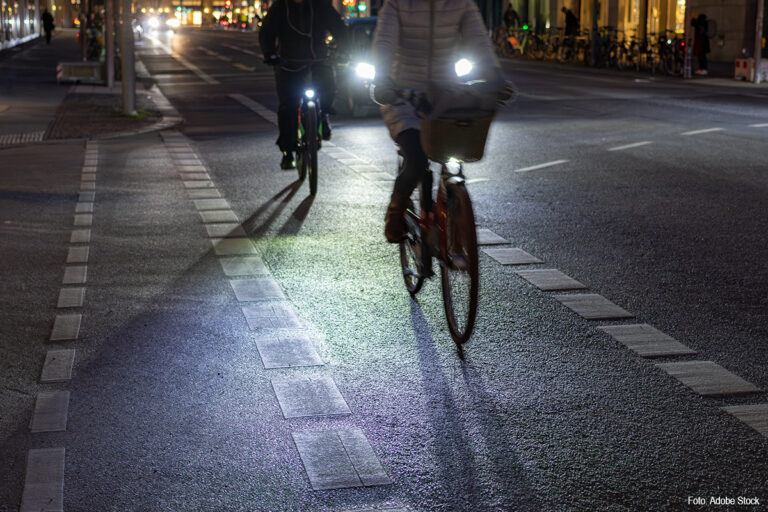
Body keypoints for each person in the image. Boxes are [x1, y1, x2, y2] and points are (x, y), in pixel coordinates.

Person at [371, 0, 506, 242]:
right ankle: (395, 213)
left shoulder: (461, 4)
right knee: (416, 159)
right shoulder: (398, 4)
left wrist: (494, 75)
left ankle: (454, 217)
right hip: (404, 98)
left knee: (455, 155)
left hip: (447, 97)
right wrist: (382, 78)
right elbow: (384, 42)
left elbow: (479, 41)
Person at [259, 0, 347, 170]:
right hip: (288, 63)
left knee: (328, 85)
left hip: (318, 60)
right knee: (288, 107)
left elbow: (339, 28)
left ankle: (323, 115)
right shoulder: (280, 7)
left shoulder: (320, 5)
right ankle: (287, 152)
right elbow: (267, 32)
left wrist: (344, 50)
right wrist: (269, 53)